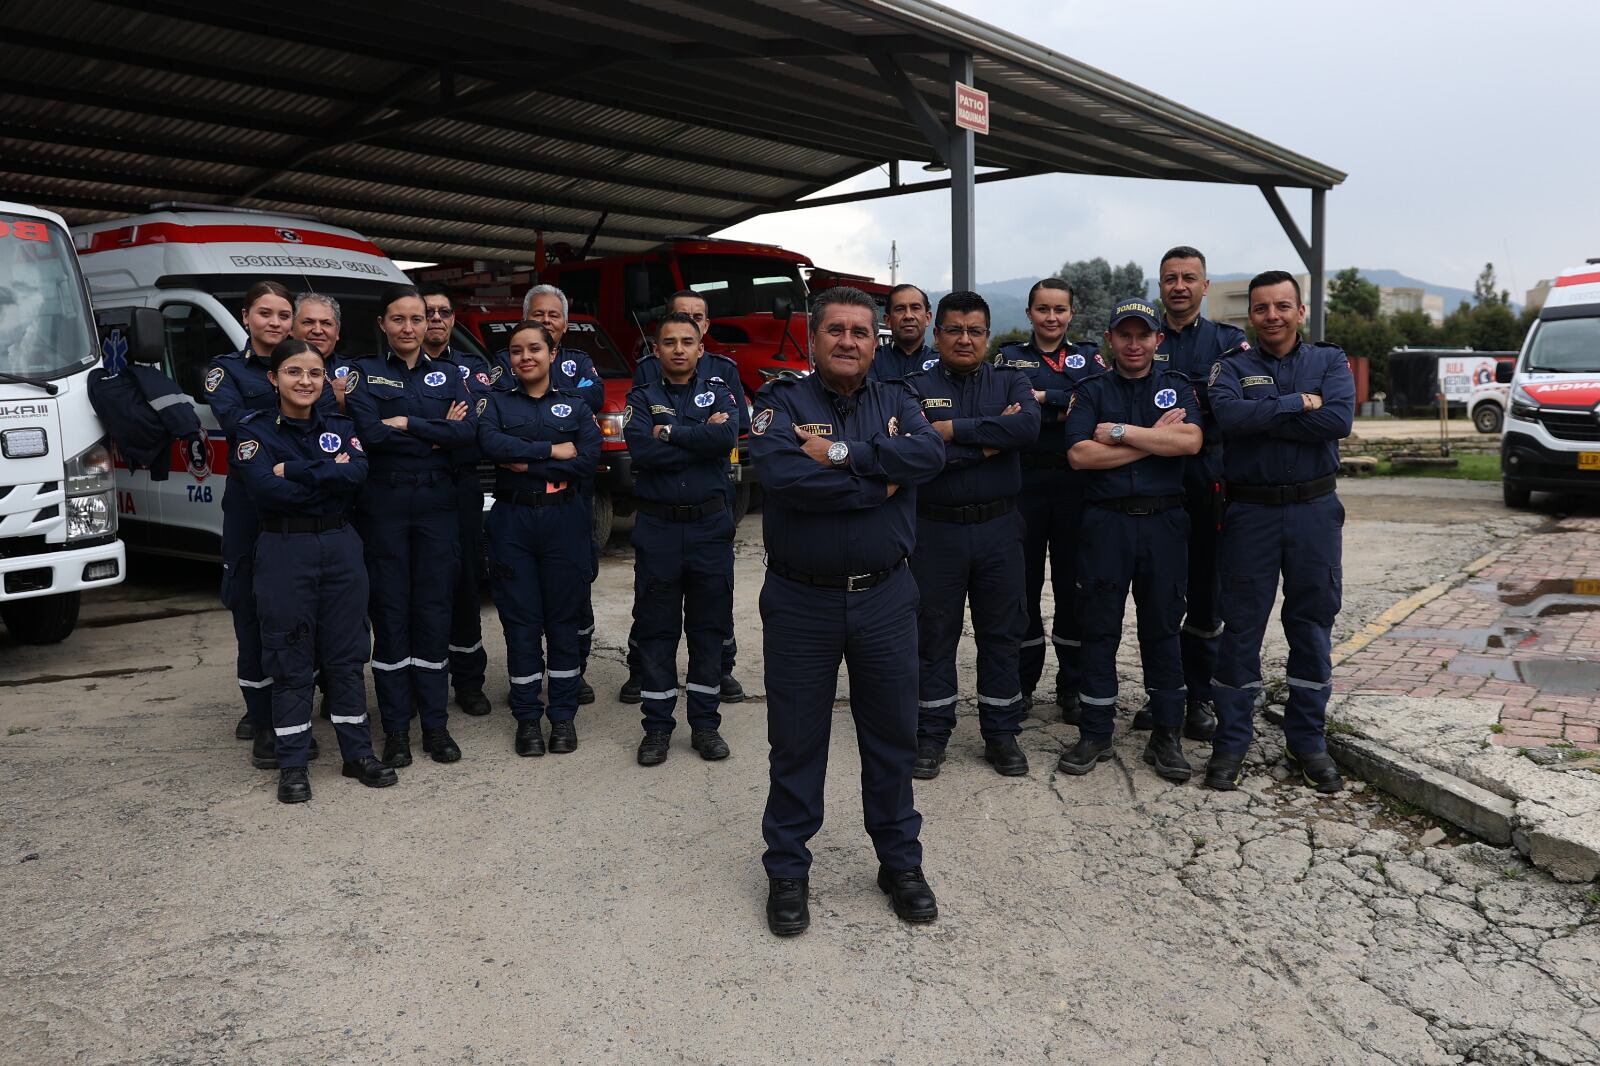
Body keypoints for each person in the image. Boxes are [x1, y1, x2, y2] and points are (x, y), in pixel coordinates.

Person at [752, 286, 945, 937]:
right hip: (800, 600)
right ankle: (787, 868)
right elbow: (781, 476)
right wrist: (877, 483)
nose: (848, 341)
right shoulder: (780, 402)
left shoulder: (899, 400)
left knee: (892, 736)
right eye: (835, 329)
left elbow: (928, 455)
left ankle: (899, 863)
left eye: (860, 331)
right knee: (796, 740)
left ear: (876, 340)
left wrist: (841, 455)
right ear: (814, 338)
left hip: (886, 598)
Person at [1204, 271, 1354, 794]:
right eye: (1263, 307)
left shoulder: (1329, 361)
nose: (1272, 316)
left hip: (1314, 509)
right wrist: (1297, 404)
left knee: (1312, 622)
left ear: (1300, 310)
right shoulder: (1231, 366)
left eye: (1282, 306)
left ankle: (1307, 740)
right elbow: (1229, 416)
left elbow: (1336, 419)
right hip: (1252, 513)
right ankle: (1232, 741)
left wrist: (1266, 414)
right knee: (1241, 627)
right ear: (1251, 313)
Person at [228, 338, 396, 803]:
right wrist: (326, 470)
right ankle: (293, 765)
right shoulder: (253, 431)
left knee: (346, 655)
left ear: (326, 379)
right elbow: (265, 490)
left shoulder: (341, 425)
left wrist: (296, 470)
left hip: (341, 545)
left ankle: (357, 755)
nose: (305, 381)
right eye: (295, 372)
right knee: (290, 658)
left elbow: (356, 475)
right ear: (274, 378)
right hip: (285, 548)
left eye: (315, 374)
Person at [1058, 298, 1202, 783]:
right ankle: (1096, 731)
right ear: (1110, 340)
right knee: (1099, 629)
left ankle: (1166, 734)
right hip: (1106, 525)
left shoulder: (1176, 385)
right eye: (1125, 334)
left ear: (1158, 340)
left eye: (1144, 335)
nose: (1134, 343)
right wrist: (1151, 443)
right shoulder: (1092, 389)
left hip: (1164, 525)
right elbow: (1079, 456)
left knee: (1162, 630)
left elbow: (1189, 443)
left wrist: (1120, 434)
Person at [903, 291, 1038, 779]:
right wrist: (986, 444)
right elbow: (916, 450)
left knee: (1002, 632)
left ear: (988, 336)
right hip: (935, 531)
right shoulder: (911, 386)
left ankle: (1001, 735)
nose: (964, 339)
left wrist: (951, 431)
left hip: (1000, 529)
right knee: (932, 633)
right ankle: (931, 734)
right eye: (954, 330)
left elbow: (1026, 428)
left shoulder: (1012, 378)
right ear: (937, 335)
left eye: (974, 331)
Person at [340, 284, 475, 768]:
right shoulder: (362, 374)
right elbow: (368, 435)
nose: (409, 327)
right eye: (398, 319)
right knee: (392, 616)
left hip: (438, 506)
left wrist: (405, 423)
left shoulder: (450, 374)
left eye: (417, 319)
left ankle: (435, 726)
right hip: (384, 507)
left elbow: (466, 434)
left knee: (434, 613)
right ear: (382, 324)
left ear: (428, 324)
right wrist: (429, 427)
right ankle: (396, 729)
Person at [1127, 247, 1250, 742]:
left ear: (1205, 285)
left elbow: (1231, 406)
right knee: (1157, 598)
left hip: (1206, 483)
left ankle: (1198, 696)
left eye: (1189, 278)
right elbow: (1122, 399)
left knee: (1204, 595)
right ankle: (1164, 695)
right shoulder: (1142, 339)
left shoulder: (1229, 342)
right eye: (1170, 278)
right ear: (1160, 286)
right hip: (1150, 486)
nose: (1179, 286)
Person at [206, 280, 329, 765]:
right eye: (265, 313)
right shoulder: (225, 371)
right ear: (246, 316)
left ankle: (295, 712)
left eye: (283, 314)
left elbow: (333, 422)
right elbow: (241, 425)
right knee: (251, 614)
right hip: (250, 507)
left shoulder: (312, 366)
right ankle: (264, 725)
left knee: (304, 611)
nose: (275, 323)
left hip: (303, 502)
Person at [477, 321, 601, 756]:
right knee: (521, 626)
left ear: (552, 355)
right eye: (516, 350)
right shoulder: (495, 405)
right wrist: (551, 451)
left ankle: (563, 718)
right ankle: (528, 719)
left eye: (534, 349)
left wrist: (526, 462)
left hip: (564, 520)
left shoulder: (576, 407)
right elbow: (491, 444)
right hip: (512, 521)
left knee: (563, 623)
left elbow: (586, 462)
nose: (525, 357)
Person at [621, 289, 749, 705]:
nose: (679, 348)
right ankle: (656, 724)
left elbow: (728, 435)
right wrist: (700, 437)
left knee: (708, 621)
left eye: (688, 339)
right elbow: (641, 448)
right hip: (658, 523)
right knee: (656, 621)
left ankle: (705, 721)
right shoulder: (643, 389)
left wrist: (671, 431)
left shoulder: (721, 377)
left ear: (702, 341)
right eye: (670, 341)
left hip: (709, 520)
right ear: (657, 347)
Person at [994, 278, 1104, 721]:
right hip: (1024, 487)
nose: (1052, 317)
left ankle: (1072, 688)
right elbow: (1007, 407)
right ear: (1029, 314)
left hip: (1077, 487)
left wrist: (1042, 397)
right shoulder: (1009, 357)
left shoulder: (1089, 355)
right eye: (1043, 309)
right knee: (1022, 591)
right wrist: (1063, 401)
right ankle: (1021, 686)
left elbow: (1097, 399)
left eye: (1060, 309)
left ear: (1071, 314)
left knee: (1073, 588)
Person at [513, 284, 604, 705]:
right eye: (539, 314)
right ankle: (530, 685)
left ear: (565, 325)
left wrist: (540, 414)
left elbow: (593, 398)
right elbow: (497, 423)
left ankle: (576, 670)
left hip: (573, 498)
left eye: (554, 315)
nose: (546, 321)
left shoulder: (581, 361)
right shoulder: (507, 361)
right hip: (524, 505)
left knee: (576, 585)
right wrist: (554, 430)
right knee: (526, 599)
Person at [418, 282, 496, 718]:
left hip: (461, 487)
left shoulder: (472, 369)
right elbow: (386, 434)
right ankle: (421, 681)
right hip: (411, 490)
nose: (435, 320)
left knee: (465, 584)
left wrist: (421, 428)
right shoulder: (387, 369)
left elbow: (478, 433)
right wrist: (442, 425)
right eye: (426, 312)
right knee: (420, 587)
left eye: (443, 312)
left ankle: (469, 681)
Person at [869, 283, 937, 382]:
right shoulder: (871, 361)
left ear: (927, 318)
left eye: (915, 308)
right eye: (900, 309)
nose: (908, 316)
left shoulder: (942, 363)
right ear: (888, 320)